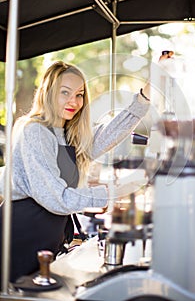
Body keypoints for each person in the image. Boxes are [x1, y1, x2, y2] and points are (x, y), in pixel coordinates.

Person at [0, 60, 151, 284]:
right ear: (48, 93)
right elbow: (57, 199)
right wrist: (114, 191)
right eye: (65, 92)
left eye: (80, 94)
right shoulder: (35, 132)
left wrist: (145, 96)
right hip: (20, 239)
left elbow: (111, 132)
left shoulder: (68, 134)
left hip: (48, 242)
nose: (74, 101)